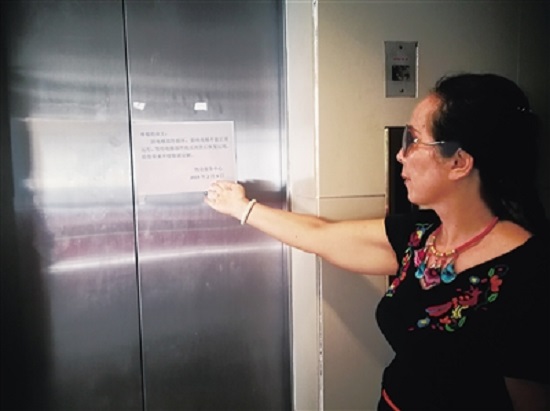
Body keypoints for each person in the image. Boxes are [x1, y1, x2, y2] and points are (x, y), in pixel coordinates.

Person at [204, 73, 550, 410]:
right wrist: (241, 208)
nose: (401, 154)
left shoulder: (531, 272)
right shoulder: (419, 236)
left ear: (458, 162)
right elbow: (319, 235)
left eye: (413, 140)